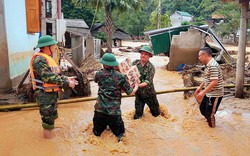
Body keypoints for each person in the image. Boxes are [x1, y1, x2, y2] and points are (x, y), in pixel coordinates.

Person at [30, 35, 77, 139]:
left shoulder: (48, 59)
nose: (54, 48)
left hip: (52, 94)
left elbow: (56, 75)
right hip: (44, 95)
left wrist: (67, 78)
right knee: (47, 121)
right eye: (53, 46)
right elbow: (48, 77)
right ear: (46, 47)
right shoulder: (39, 60)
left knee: (53, 115)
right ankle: (48, 143)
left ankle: (51, 134)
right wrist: (67, 83)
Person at [93, 53, 138, 142]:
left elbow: (98, 82)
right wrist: (136, 85)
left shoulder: (98, 74)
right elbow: (130, 92)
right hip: (114, 113)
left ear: (103, 64)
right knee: (120, 136)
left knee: (96, 135)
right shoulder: (120, 76)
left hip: (99, 110)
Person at [194, 47, 224, 128]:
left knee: (210, 114)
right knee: (202, 108)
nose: (199, 58)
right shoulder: (208, 65)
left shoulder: (213, 65)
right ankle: (208, 120)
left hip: (215, 94)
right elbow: (207, 78)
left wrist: (203, 92)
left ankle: (212, 130)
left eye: (199, 56)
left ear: (204, 55)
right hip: (209, 93)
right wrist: (200, 87)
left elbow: (214, 81)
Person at [132, 45, 160, 119]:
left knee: (156, 114)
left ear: (149, 56)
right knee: (137, 116)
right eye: (142, 53)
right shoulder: (135, 63)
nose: (143, 55)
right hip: (139, 94)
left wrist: (137, 86)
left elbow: (147, 82)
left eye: (145, 54)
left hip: (149, 94)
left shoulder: (151, 67)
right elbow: (128, 72)